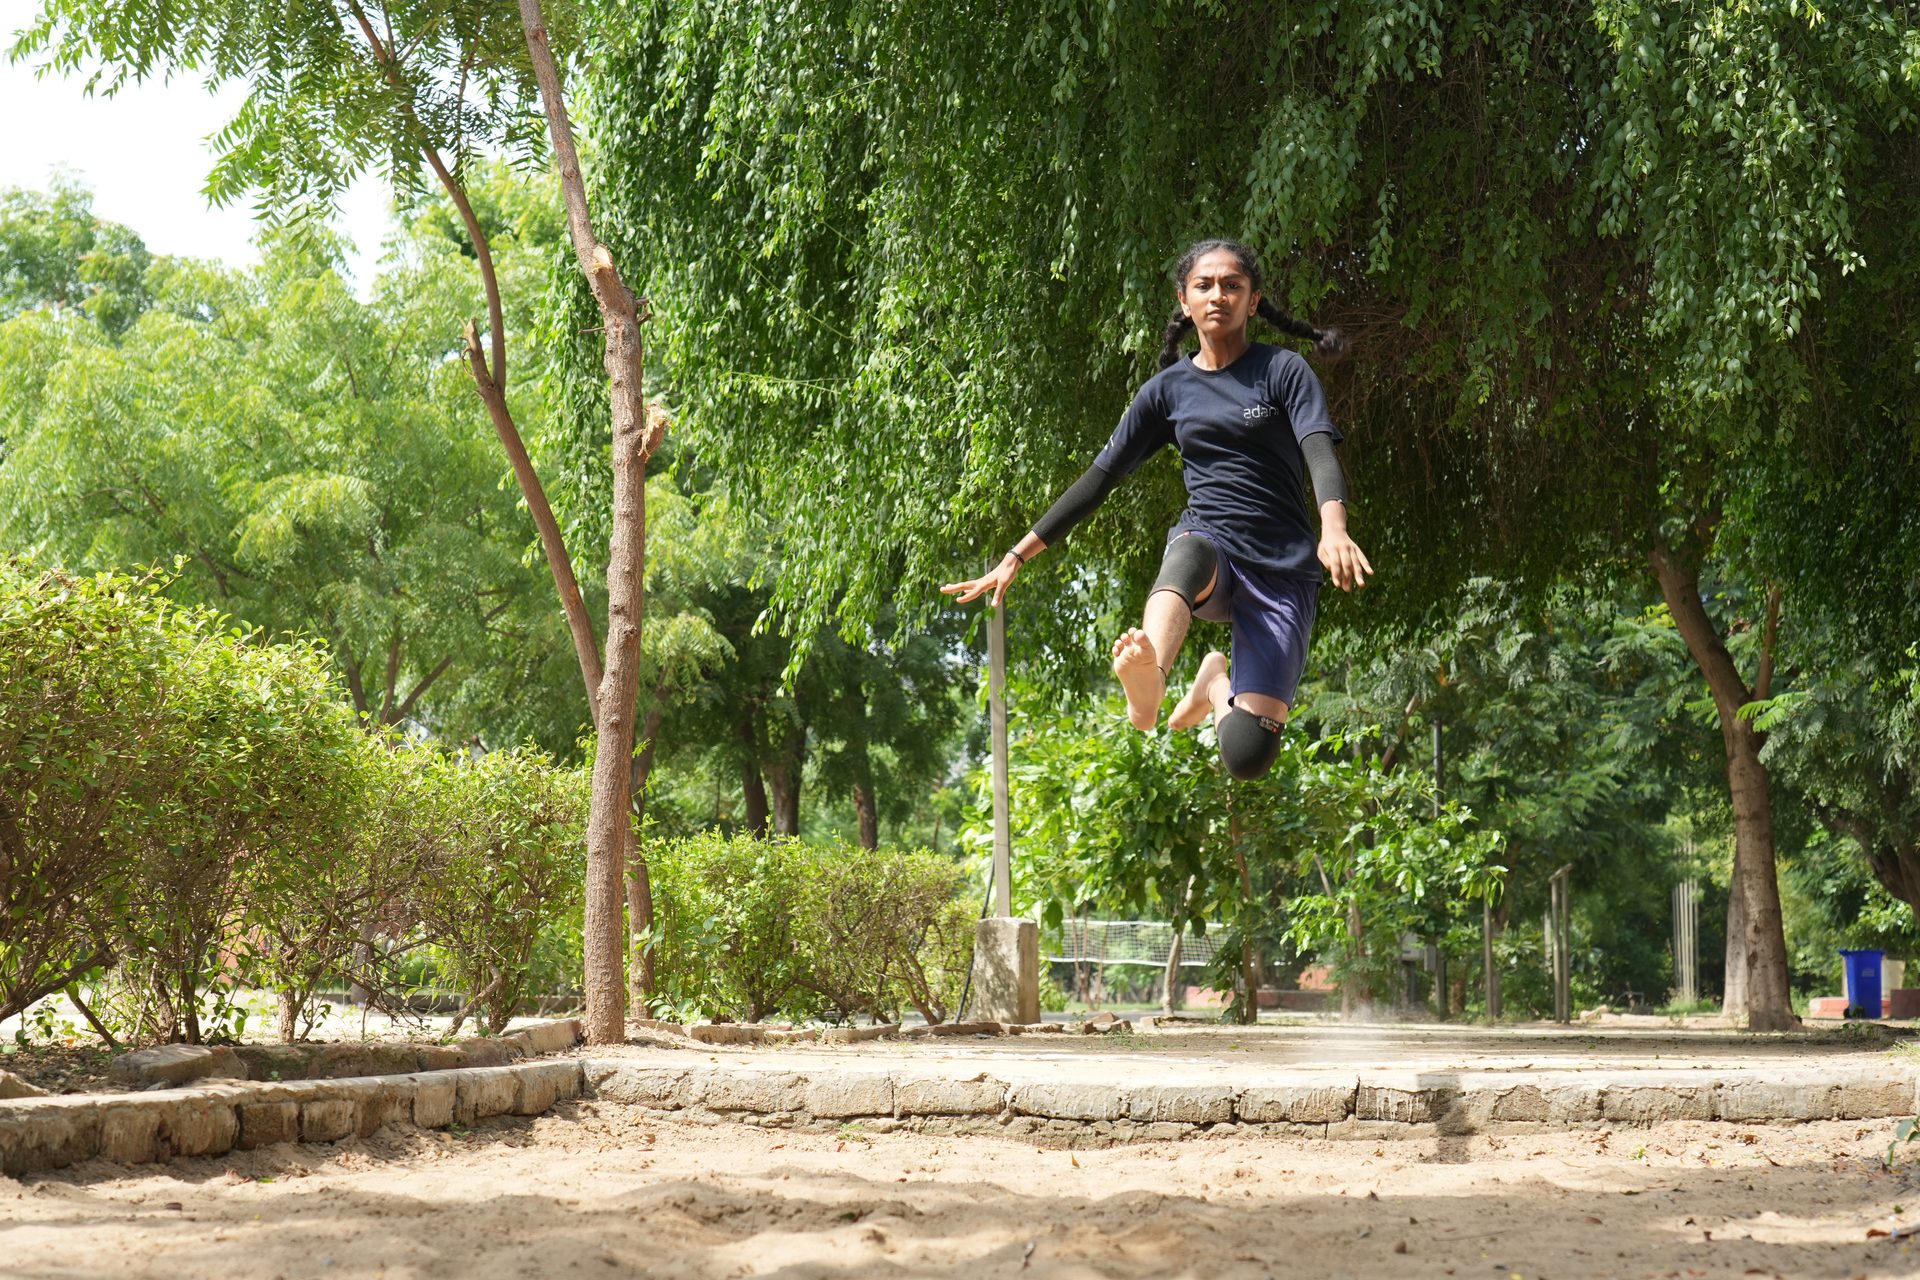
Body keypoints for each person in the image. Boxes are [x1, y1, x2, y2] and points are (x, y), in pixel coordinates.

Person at [941, 239, 1370, 781]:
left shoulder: (1283, 371)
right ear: (1184, 301)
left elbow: (1318, 450)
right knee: (1186, 554)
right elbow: (1098, 480)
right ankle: (1150, 679)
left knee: (1246, 756)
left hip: (1282, 568)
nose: (1219, 295)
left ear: (1254, 301)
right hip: (1211, 543)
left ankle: (1215, 681)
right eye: (1204, 285)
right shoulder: (1166, 392)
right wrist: (1016, 556)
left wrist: (1333, 529)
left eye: (1232, 285)